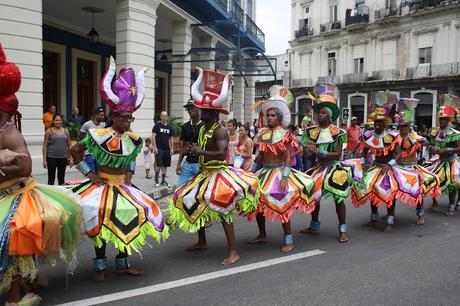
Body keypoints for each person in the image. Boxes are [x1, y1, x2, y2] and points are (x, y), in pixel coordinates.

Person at [66, 56, 168, 281]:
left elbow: (131, 158)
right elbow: (75, 152)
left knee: (129, 218)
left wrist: (130, 175)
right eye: (125, 117)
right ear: (114, 117)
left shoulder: (132, 138)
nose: (129, 121)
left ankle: (123, 263)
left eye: (131, 117)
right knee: (101, 224)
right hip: (101, 185)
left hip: (123, 187)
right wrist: (90, 174)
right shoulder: (98, 135)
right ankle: (100, 267)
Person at [0, 43, 81, 305]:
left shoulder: (9, 133)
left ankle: (15, 297)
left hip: (18, 196)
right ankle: (29, 279)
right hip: (5, 196)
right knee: (17, 247)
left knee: (16, 243)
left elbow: (23, 167)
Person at [168, 67, 259, 265]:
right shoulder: (202, 128)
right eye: (201, 108)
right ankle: (202, 241)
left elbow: (219, 154)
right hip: (205, 173)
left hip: (220, 174)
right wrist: (192, 151)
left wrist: (199, 152)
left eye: (205, 110)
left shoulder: (220, 131)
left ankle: (233, 251)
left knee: (223, 208)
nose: (201, 111)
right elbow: (201, 149)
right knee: (193, 200)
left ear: (214, 112)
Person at [248, 85, 315, 252]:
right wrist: (251, 173)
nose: (269, 118)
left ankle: (288, 239)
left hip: (279, 174)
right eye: (267, 115)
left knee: (283, 204)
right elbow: (261, 156)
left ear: (279, 118)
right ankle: (262, 234)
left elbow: (286, 157)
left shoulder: (284, 134)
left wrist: (285, 177)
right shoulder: (262, 134)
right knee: (257, 203)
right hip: (264, 173)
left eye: (272, 115)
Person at [352, 92, 422, 232]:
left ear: (385, 123)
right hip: (376, 168)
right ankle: (374, 216)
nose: (377, 124)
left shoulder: (392, 137)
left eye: (380, 122)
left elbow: (397, 154)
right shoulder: (368, 136)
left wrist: (390, 164)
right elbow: (365, 151)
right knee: (372, 190)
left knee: (390, 193)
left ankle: (390, 220)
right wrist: (362, 161)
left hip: (390, 169)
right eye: (376, 122)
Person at [301, 83, 363, 242]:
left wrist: (320, 152)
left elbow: (337, 155)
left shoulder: (338, 132)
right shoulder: (311, 132)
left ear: (329, 116)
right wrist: (308, 149)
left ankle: (343, 229)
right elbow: (308, 148)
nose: (319, 115)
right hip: (318, 168)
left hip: (334, 168)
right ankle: (314, 225)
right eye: (318, 112)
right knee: (314, 196)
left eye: (322, 113)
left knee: (339, 197)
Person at [395, 98, 440, 225]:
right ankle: (389, 216)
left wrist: (427, 143)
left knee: (418, 192)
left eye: (404, 126)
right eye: (400, 126)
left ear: (409, 126)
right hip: (398, 169)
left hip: (413, 168)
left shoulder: (415, 137)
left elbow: (427, 142)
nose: (402, 128)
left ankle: (420, 215)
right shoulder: (395, 137)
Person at [425, 95, 460, 215]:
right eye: (440, 119)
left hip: (451, 162)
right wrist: (432, 148)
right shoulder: (434, 132)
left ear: (448, 120)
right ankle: (435, 202)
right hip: (439, 161)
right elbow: (429, 144)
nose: (441, 121)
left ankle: (451, 206)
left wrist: (447, 150)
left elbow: (459, 148)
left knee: (452, 185)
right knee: (432, 180)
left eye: (444, 119)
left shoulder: (454, 133)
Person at [176, 99, 203, 186]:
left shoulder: (205, 126)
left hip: (201, 164)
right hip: (188, 163)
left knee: (200, 190)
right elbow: (183, 147)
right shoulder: (185, 126)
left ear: (198, 108)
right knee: (179, 187)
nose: (190, 111)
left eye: (192, 108)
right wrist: (179, 163)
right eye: (188, 109)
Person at [42, 114, 71, 185]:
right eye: (56, 120)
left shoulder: (66, 131)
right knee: (51, 178)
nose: (58, 122)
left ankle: (60, 194)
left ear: (62, 121)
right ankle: (50, 194)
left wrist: (71, 158)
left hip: (63, 157)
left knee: (61, 178)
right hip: (51, 158)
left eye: (59, 120)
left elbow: (69, 145)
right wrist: (44, 160)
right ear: (53, 121)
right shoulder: (49, 131)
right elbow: (45, 145)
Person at [80, 106, 106, 172]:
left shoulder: (104, 125)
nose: (103, 117)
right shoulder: (87, 124)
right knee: (91, 172)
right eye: (101, 115)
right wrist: (82, 153)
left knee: (100, 173)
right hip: (89, 153)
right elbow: (81, 139)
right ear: (95, 115)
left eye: (103, 115)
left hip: (100, 154)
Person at [152, 111, 173, 186]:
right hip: (159, 149)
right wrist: (155, 147)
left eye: (165, 116)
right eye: (162, 116)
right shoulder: (157, 126)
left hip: (167, 149)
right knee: (159, 164)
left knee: (165, 165)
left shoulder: (169, 127)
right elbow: (153, 137)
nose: (164, 117)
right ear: (160, 117)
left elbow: (170, 138)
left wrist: (171, 148)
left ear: (167, 117)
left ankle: (163, 180)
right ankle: (156, 180)